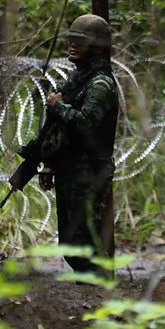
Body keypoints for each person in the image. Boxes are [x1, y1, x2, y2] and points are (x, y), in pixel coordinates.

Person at [36, 14, 119, 277]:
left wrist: (57, 106)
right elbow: (61, 127)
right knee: (72, 246)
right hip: (70, 169)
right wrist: (49, 163)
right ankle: (94, 296)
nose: (72, 45)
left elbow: (85, 122)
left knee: (86, 244)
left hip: (90, 171)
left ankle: (105, 296)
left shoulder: (100, 84)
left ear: (95, 45)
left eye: (79, 41)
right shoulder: (79, 78)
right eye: (71, 39)